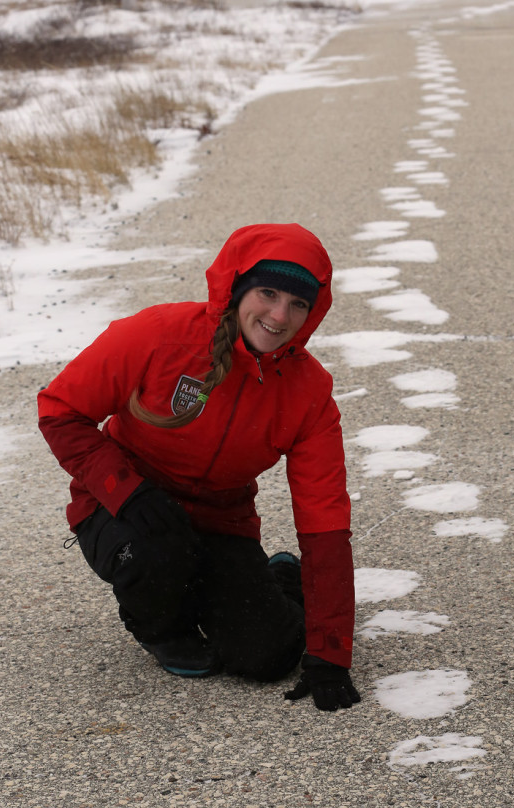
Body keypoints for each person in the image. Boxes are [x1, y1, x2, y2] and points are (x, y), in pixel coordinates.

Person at [37, 222, 360, 712]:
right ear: (237, 287)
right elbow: (59, 409)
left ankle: (275, 581)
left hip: (220, 522)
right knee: (156, 551)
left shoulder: (309, 393)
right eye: (268, 293)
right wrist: (124, 489)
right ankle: (162, 627)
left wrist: (330, 652)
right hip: (127, 507)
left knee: (268, 657)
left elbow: (325, 522)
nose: (279, 315)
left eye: (298, 304)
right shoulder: (157, 335)